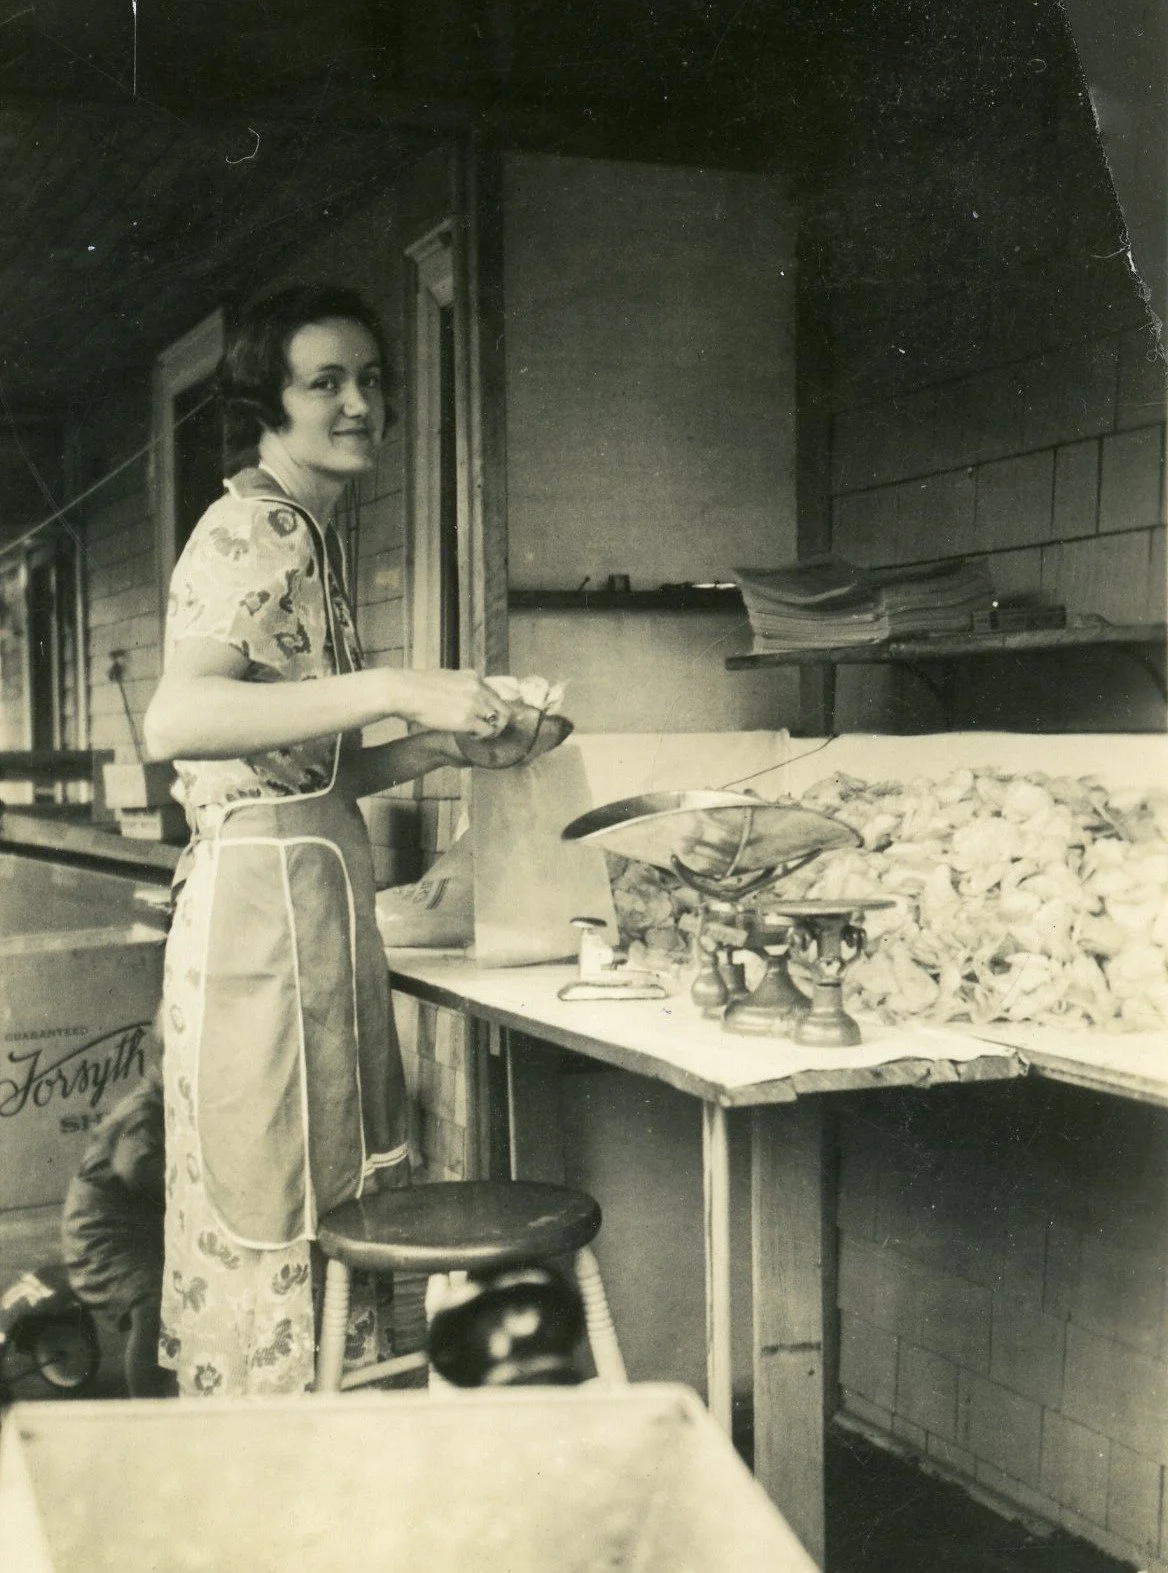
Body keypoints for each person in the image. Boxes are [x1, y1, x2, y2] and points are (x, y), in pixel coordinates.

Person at [143, 283, 563, 1397]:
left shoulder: (311, 536)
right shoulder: (254, 526)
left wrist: (431, 752)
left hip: (309, 911)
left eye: (371, 379)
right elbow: (180, 721)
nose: (359, 402)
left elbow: (303, 774)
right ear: (266, 404)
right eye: (324, 381)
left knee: (329, 1203)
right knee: (279, 1213)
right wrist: (391, 683)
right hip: (257, 931)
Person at [61, 1028, 172, 1398]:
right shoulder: (143, 1111)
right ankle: (149, 1402)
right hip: (103, 1237)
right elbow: (137, 1168)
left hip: (135, 1224)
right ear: (165, 1063)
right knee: (151, 1302)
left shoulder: (165, 1105)